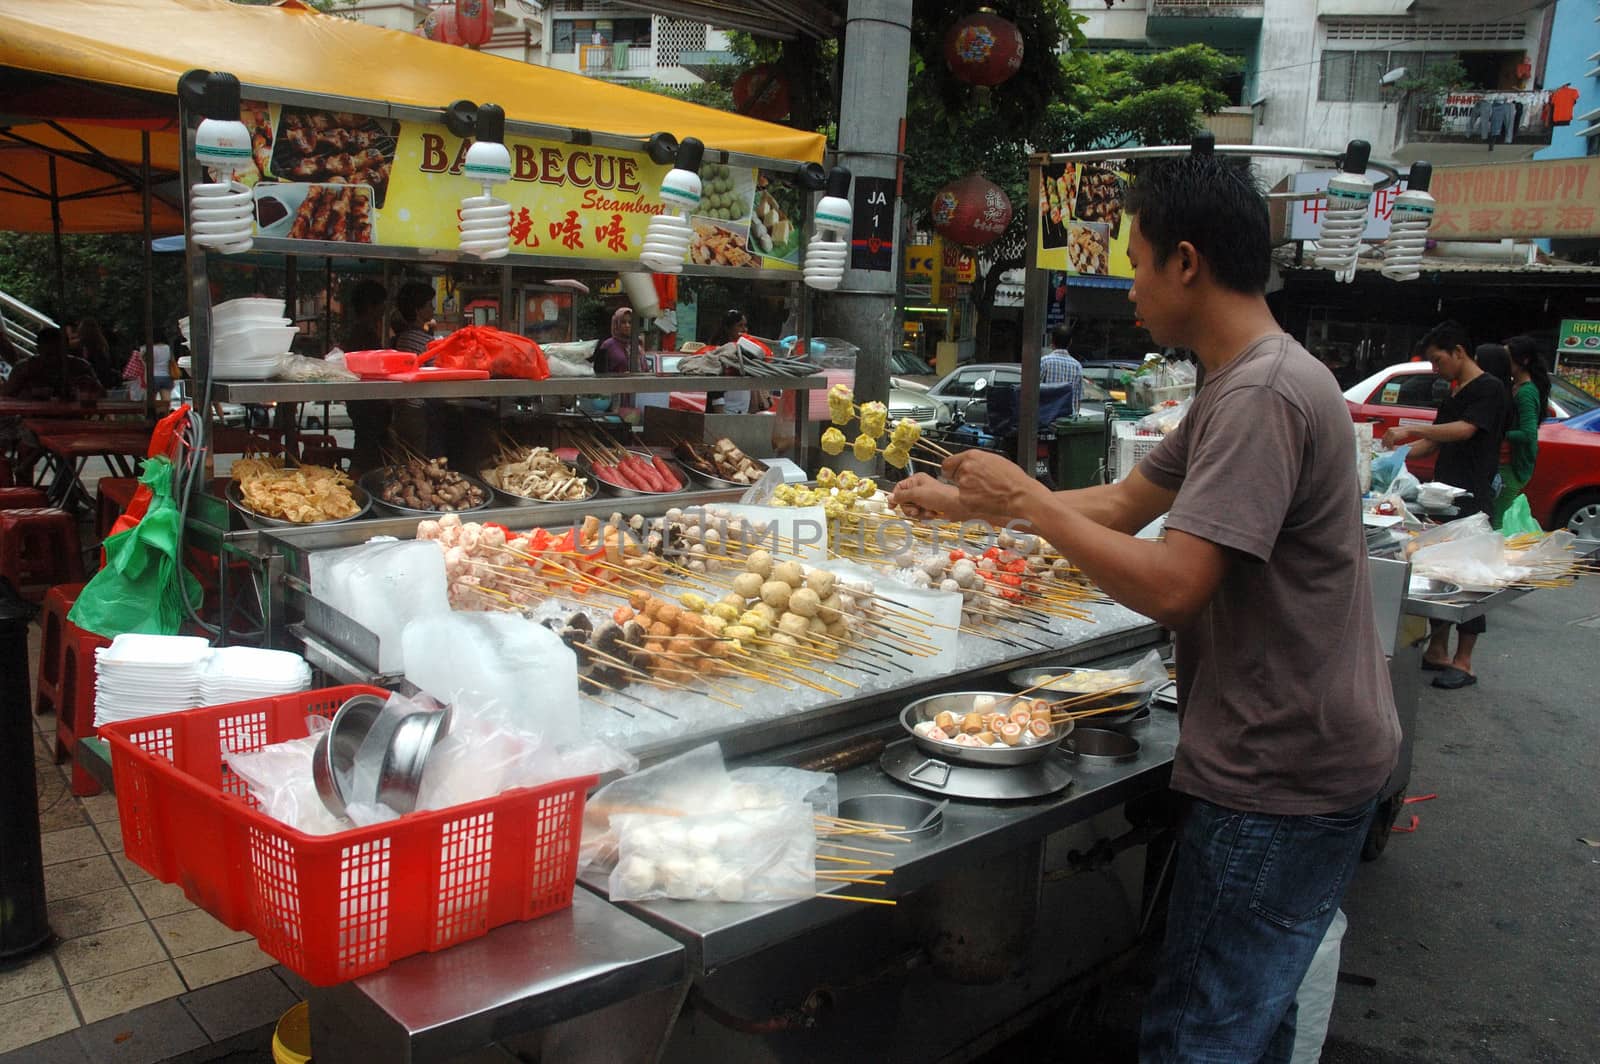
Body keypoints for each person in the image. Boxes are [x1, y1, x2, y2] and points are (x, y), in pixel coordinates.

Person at [893, 152, 1399, 1064]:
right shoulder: (1241, 379)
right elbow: (1127, 505)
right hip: (1306, 750)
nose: (1126, 287)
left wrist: (1031, 504)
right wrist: (977, 506)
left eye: (1134, 260)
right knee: (1252, 1014)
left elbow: (1174, 582)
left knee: (1201, 1035)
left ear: (1188, 263)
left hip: (1280, 773)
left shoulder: (1263, 395)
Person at [1382, 321, 1507, 690]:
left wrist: (1412, 431)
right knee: (1441, 573)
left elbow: (1464, 431)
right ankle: (1437, 649)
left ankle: (1463, 661)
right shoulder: (1455, 393)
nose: (1436, 369)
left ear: (1458, 351)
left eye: (1438, 361)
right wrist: (1392, 458)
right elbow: (1436, 443)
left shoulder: (1490, 389)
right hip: (1443, 497)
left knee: (1470, 578)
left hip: (1473, 498)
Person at [1492, 335, 1550, 529]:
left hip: (1511, 468)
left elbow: (1528, 433)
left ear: (1523, 361)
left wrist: (1499, 434)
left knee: (1498, 523)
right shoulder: (1513, 387)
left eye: (1507, 358)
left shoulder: (1526, 392)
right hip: (1504, 464)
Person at [343, 280, 390, 474]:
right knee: (367, 452)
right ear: (371, 306)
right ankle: (360, 488)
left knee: (365, 448)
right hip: (367, 405)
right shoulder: (363, 333)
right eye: (382, 304)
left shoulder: (362, 331)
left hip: (363, 404)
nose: (384, 310)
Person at [1, 325, 105, 399]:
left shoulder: (81, 366)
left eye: (59, 354)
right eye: (49, 355)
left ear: (67, 349)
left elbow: (102, 394)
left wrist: (90, 386)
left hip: (72, 417)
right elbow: (6, 395)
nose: (54, 359)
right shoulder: (24, 368)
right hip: (32, 420)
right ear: (39, 350)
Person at [1040, 323, 1084, 418]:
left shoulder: (1044, 362)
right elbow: (1077, 400)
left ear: (1052, 340)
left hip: (1044, 420)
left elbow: (1034, 393)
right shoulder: (1077, 366)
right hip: (1066, 423)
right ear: (1070, 342)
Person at [595, 307, 632, 375]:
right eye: (623, 322)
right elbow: (600, 373)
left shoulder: (637, 344)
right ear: (616, 323)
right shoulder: (607, 345)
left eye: (630, 322)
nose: (627, 325)